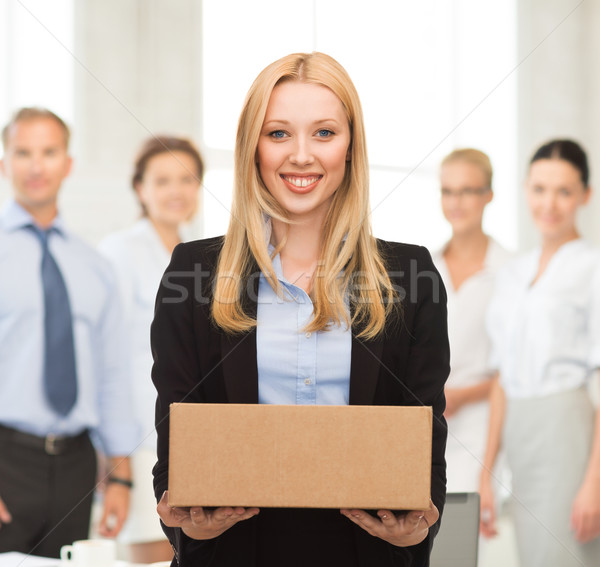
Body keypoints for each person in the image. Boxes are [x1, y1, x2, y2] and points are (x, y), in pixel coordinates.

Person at [151, 52, 450, 567]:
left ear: (352, 147)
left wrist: (416, 529)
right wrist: (187, 518)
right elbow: (175, 429)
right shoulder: (192, 273)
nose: (302, 155)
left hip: (363, 555)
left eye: (325, 133)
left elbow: (426, 436)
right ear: (253, 148)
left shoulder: (411, 276)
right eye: (279, 134)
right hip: (235, 553)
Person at [0, 107, 138, 558]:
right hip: (6, 459)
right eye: (23, 152)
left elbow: (113, 374)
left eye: (49, 152)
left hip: (77, 467)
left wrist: (120, 475)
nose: (36, 166)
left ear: (68, 164)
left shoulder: (93, 267)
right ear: (5, 163)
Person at [479, 139, 600, 566]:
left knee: (566, 555)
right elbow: (501, 379)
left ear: (585, 195)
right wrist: (487, 474)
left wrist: (595, 482)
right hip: (519, 435)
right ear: (526, 190)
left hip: (568, 432)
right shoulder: (513, 273)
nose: (549, 203)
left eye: (564, 191)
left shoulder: (592, 266)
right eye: (540, 189)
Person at [99, 135, 204, 563]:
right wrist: (117, 462)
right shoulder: (119, 253)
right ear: (140, 189)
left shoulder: (204, 256)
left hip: (194, 437)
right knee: (148, 555)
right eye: (162, 180)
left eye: (186, 179)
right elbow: (110, 362)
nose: (176, 191)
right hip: (142, 440)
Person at [432, 149, 511, 493]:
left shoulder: (511, 270)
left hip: (482, 428)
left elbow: (511, 370)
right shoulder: (424, 267)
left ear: (488, 195)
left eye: (467, 190)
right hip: (429, 425)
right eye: (448, 191)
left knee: (465, 538)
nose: (456, 202)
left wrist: (462, 396)